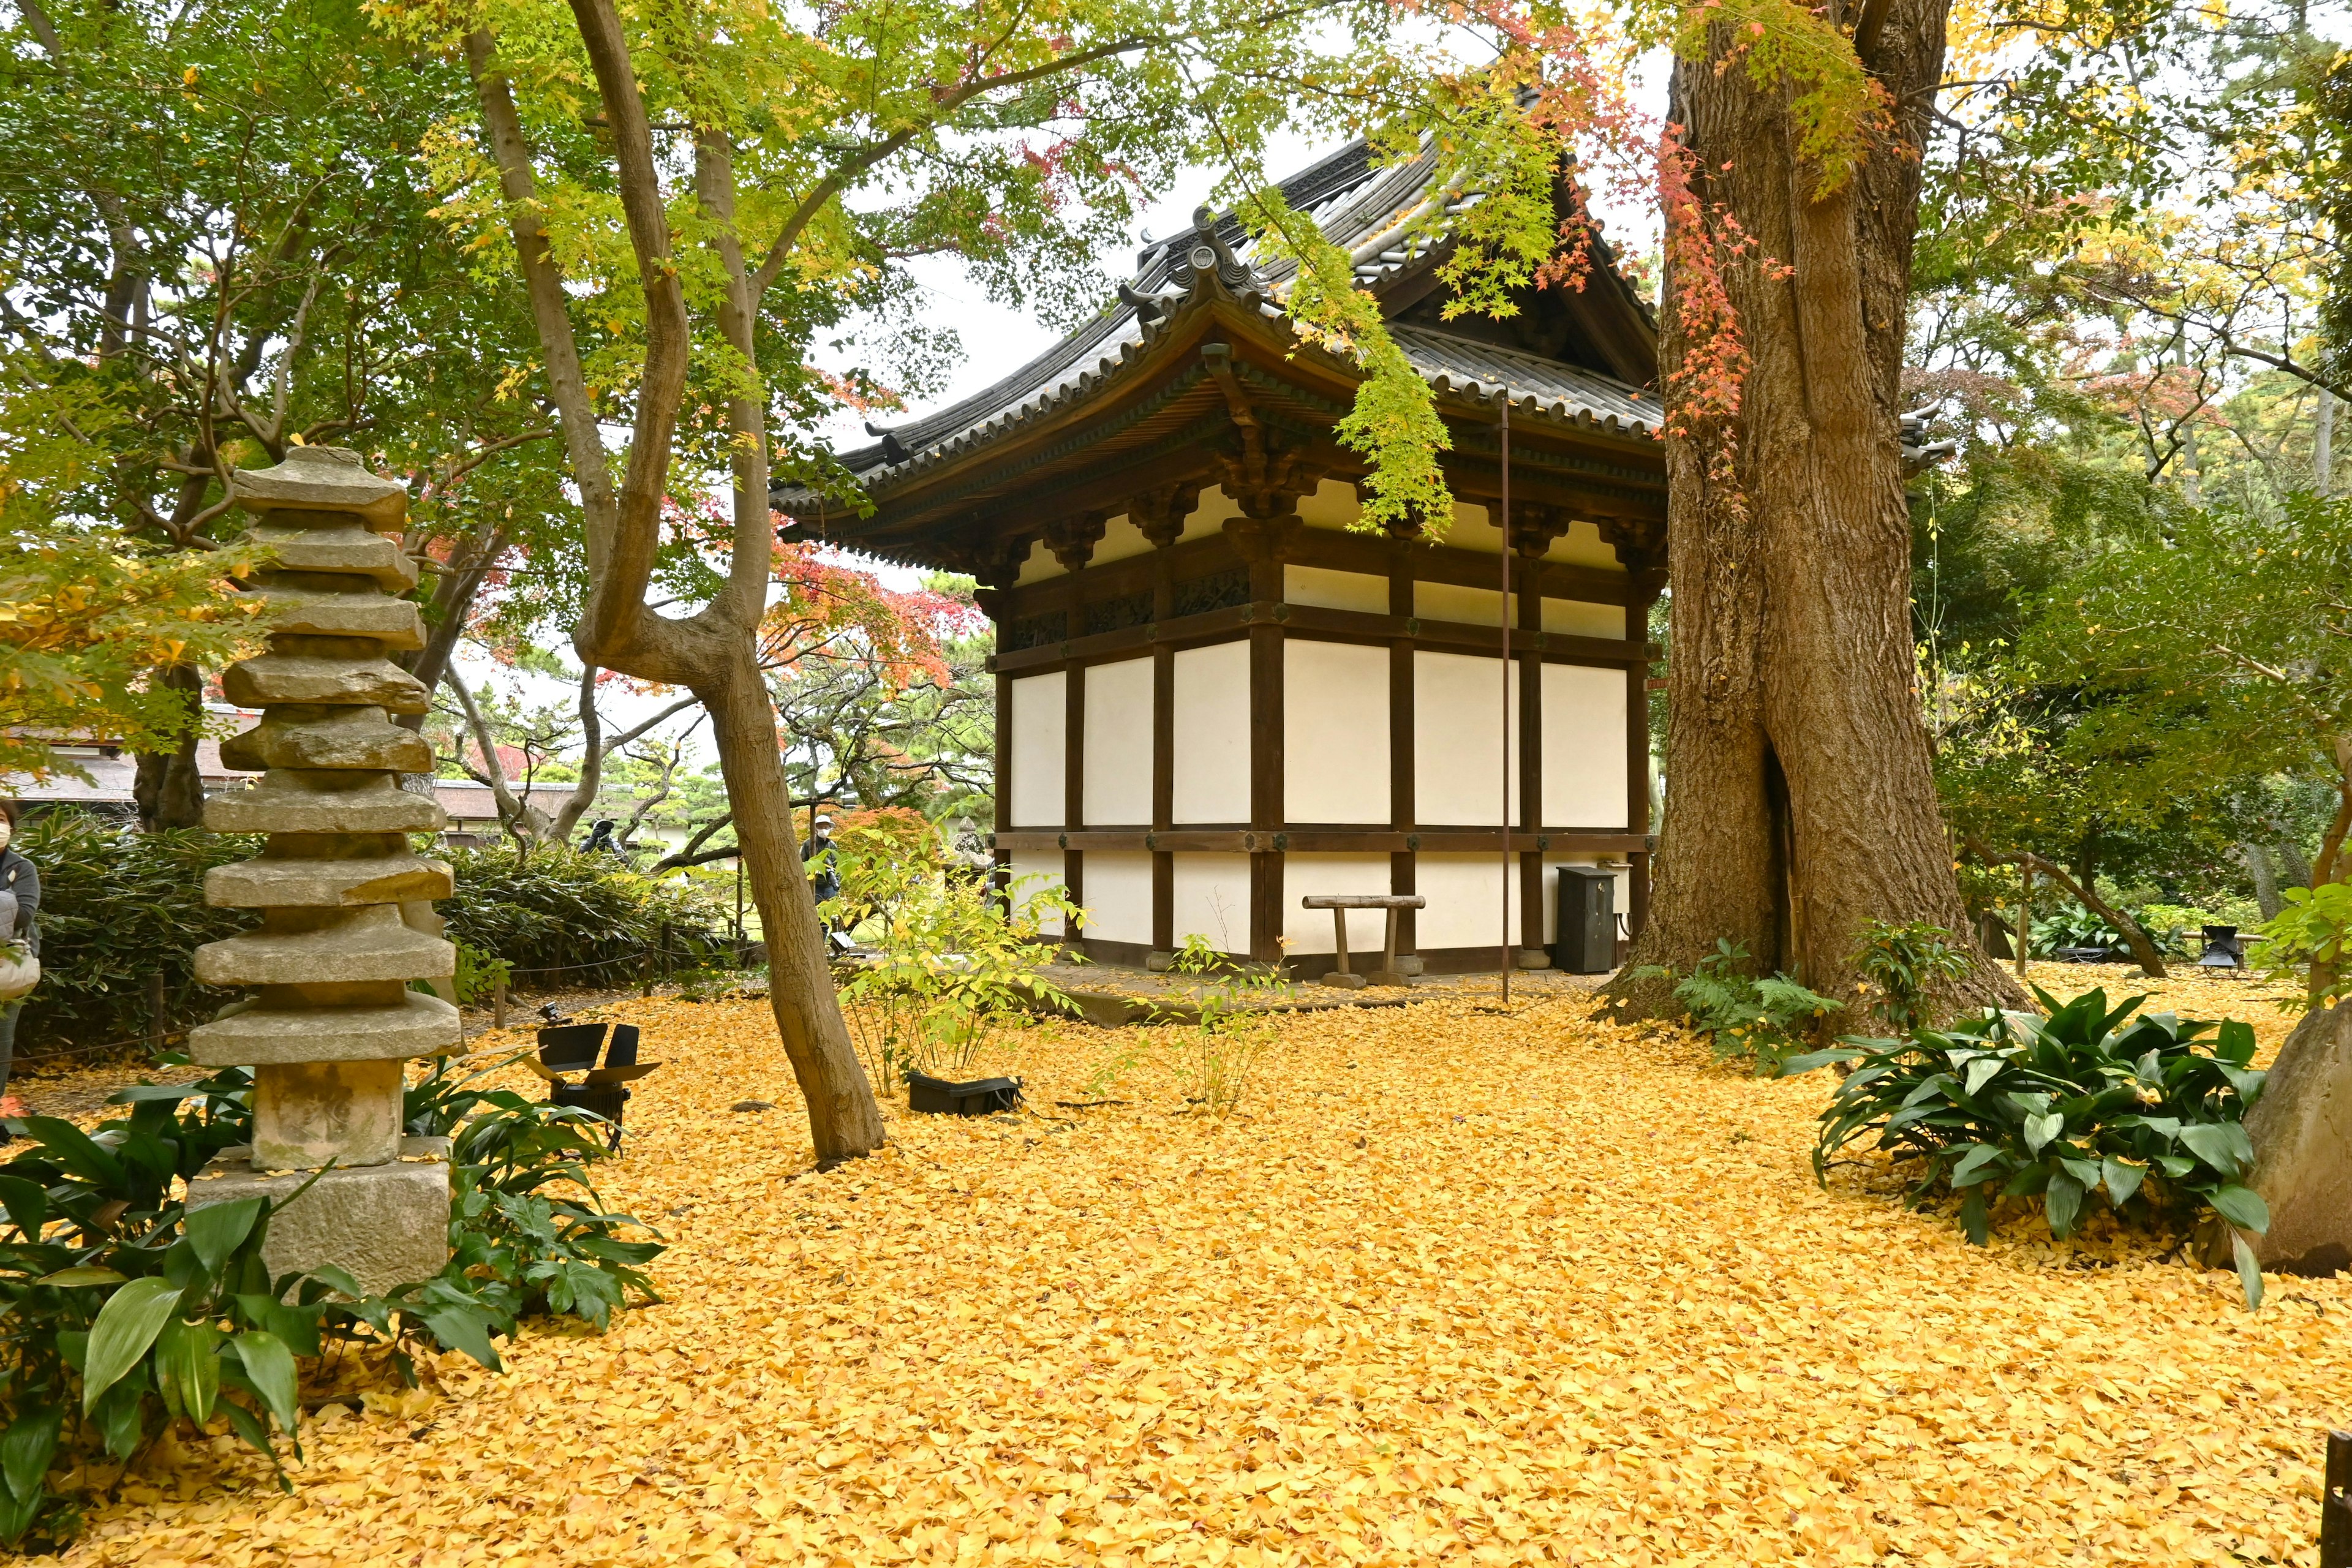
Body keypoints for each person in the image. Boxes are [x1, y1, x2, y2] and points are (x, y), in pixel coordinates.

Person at [0, 802, 39, 1122]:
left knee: (1, 1040)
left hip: (7, 969)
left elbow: (24, 915)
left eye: (0, 819)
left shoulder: (22, 868)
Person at [802, 814, 841, 916]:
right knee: (815, 915)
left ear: (830, 828)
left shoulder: (832, 845)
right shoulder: (808, 844)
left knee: (827, 916)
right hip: (815, 885)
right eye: (820, 827)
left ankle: (825, 932)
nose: (823, 829)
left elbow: (838, 866)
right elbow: (802, 864)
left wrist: (836, 883)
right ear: (815, 828)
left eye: (826, 827)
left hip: (830, 886)